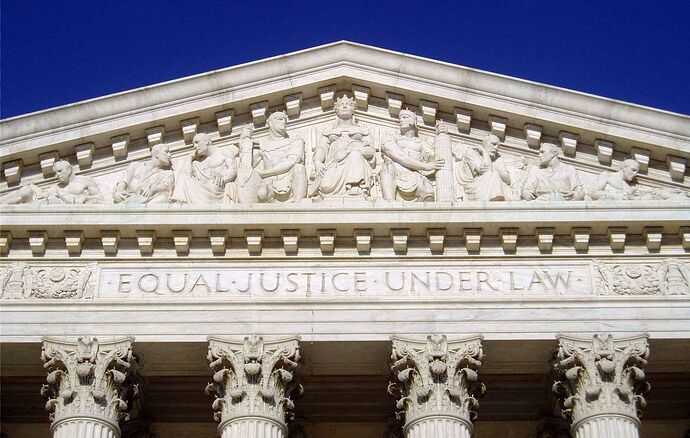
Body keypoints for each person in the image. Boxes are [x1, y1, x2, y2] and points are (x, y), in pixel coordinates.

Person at [311, 95, 376, 197]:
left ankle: (355, 185)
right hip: (335, 163)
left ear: (353, 109)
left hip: (356, 163)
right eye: (341, 105)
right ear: (336, 110)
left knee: (355, 155)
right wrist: (318, 162)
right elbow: (322, 148)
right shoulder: (328, 131)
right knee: (325, 187)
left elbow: (370, 152)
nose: (344, 106)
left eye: (348, 104)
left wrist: (349, 151)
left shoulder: (363, 130)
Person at [240, 112, 307, 203]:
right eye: (279, 119)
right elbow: (247, 167)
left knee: (299, 168)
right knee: (262, 194)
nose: (283, 122)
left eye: (285, 120)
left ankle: (298, 203)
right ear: (270, 123)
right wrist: (245, 141)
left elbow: (293, 161)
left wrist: (265, 173)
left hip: (289, 178)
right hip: (269, 182)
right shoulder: (262, 146)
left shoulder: (295, 141)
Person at [380, 109, 443, 201]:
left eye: (405, 117)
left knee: (428, 193)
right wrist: (426, 166)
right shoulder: (389, 137)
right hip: (394, 175)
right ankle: (389, 202)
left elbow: (438, 159)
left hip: (416, 177)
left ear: (414, 121)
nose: (401, 120)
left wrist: (441, 135)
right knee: (388, 166)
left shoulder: (421, 143)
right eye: (400, 118)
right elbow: (399, 155)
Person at [171, 133, 237, 204]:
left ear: (207, 142)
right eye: (194, 144)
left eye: (197, 142)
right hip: (200, 187)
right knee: (183, 176)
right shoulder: (197, 162)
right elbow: (187, 174)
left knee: (212, 185)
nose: (195, 146)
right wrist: (190, 157)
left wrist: (223, 179)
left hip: (216, 186)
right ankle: (180, 203)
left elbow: (233, 170)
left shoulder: (223, 152)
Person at [1, 160, 103, 204]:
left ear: (69, 170)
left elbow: (100, 197)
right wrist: (32, 186)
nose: (57, 175)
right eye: (56, 172)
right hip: (45, 203)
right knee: (26, 191)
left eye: (60, 171)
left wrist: (85, 198)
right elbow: (42, 195)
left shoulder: (85, 180)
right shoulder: (56, 187)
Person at [455, 134, 512, 201]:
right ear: (484, 144)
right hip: (473, 188)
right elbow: (484, 170)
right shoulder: (471, 152)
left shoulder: (496, 158)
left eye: (498, 146)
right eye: (493, 144)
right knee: (493, 174)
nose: (496, 148)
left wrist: (499, 162)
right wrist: (485, 152)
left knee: (506, 187)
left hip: (484, 186)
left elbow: (507, 180)